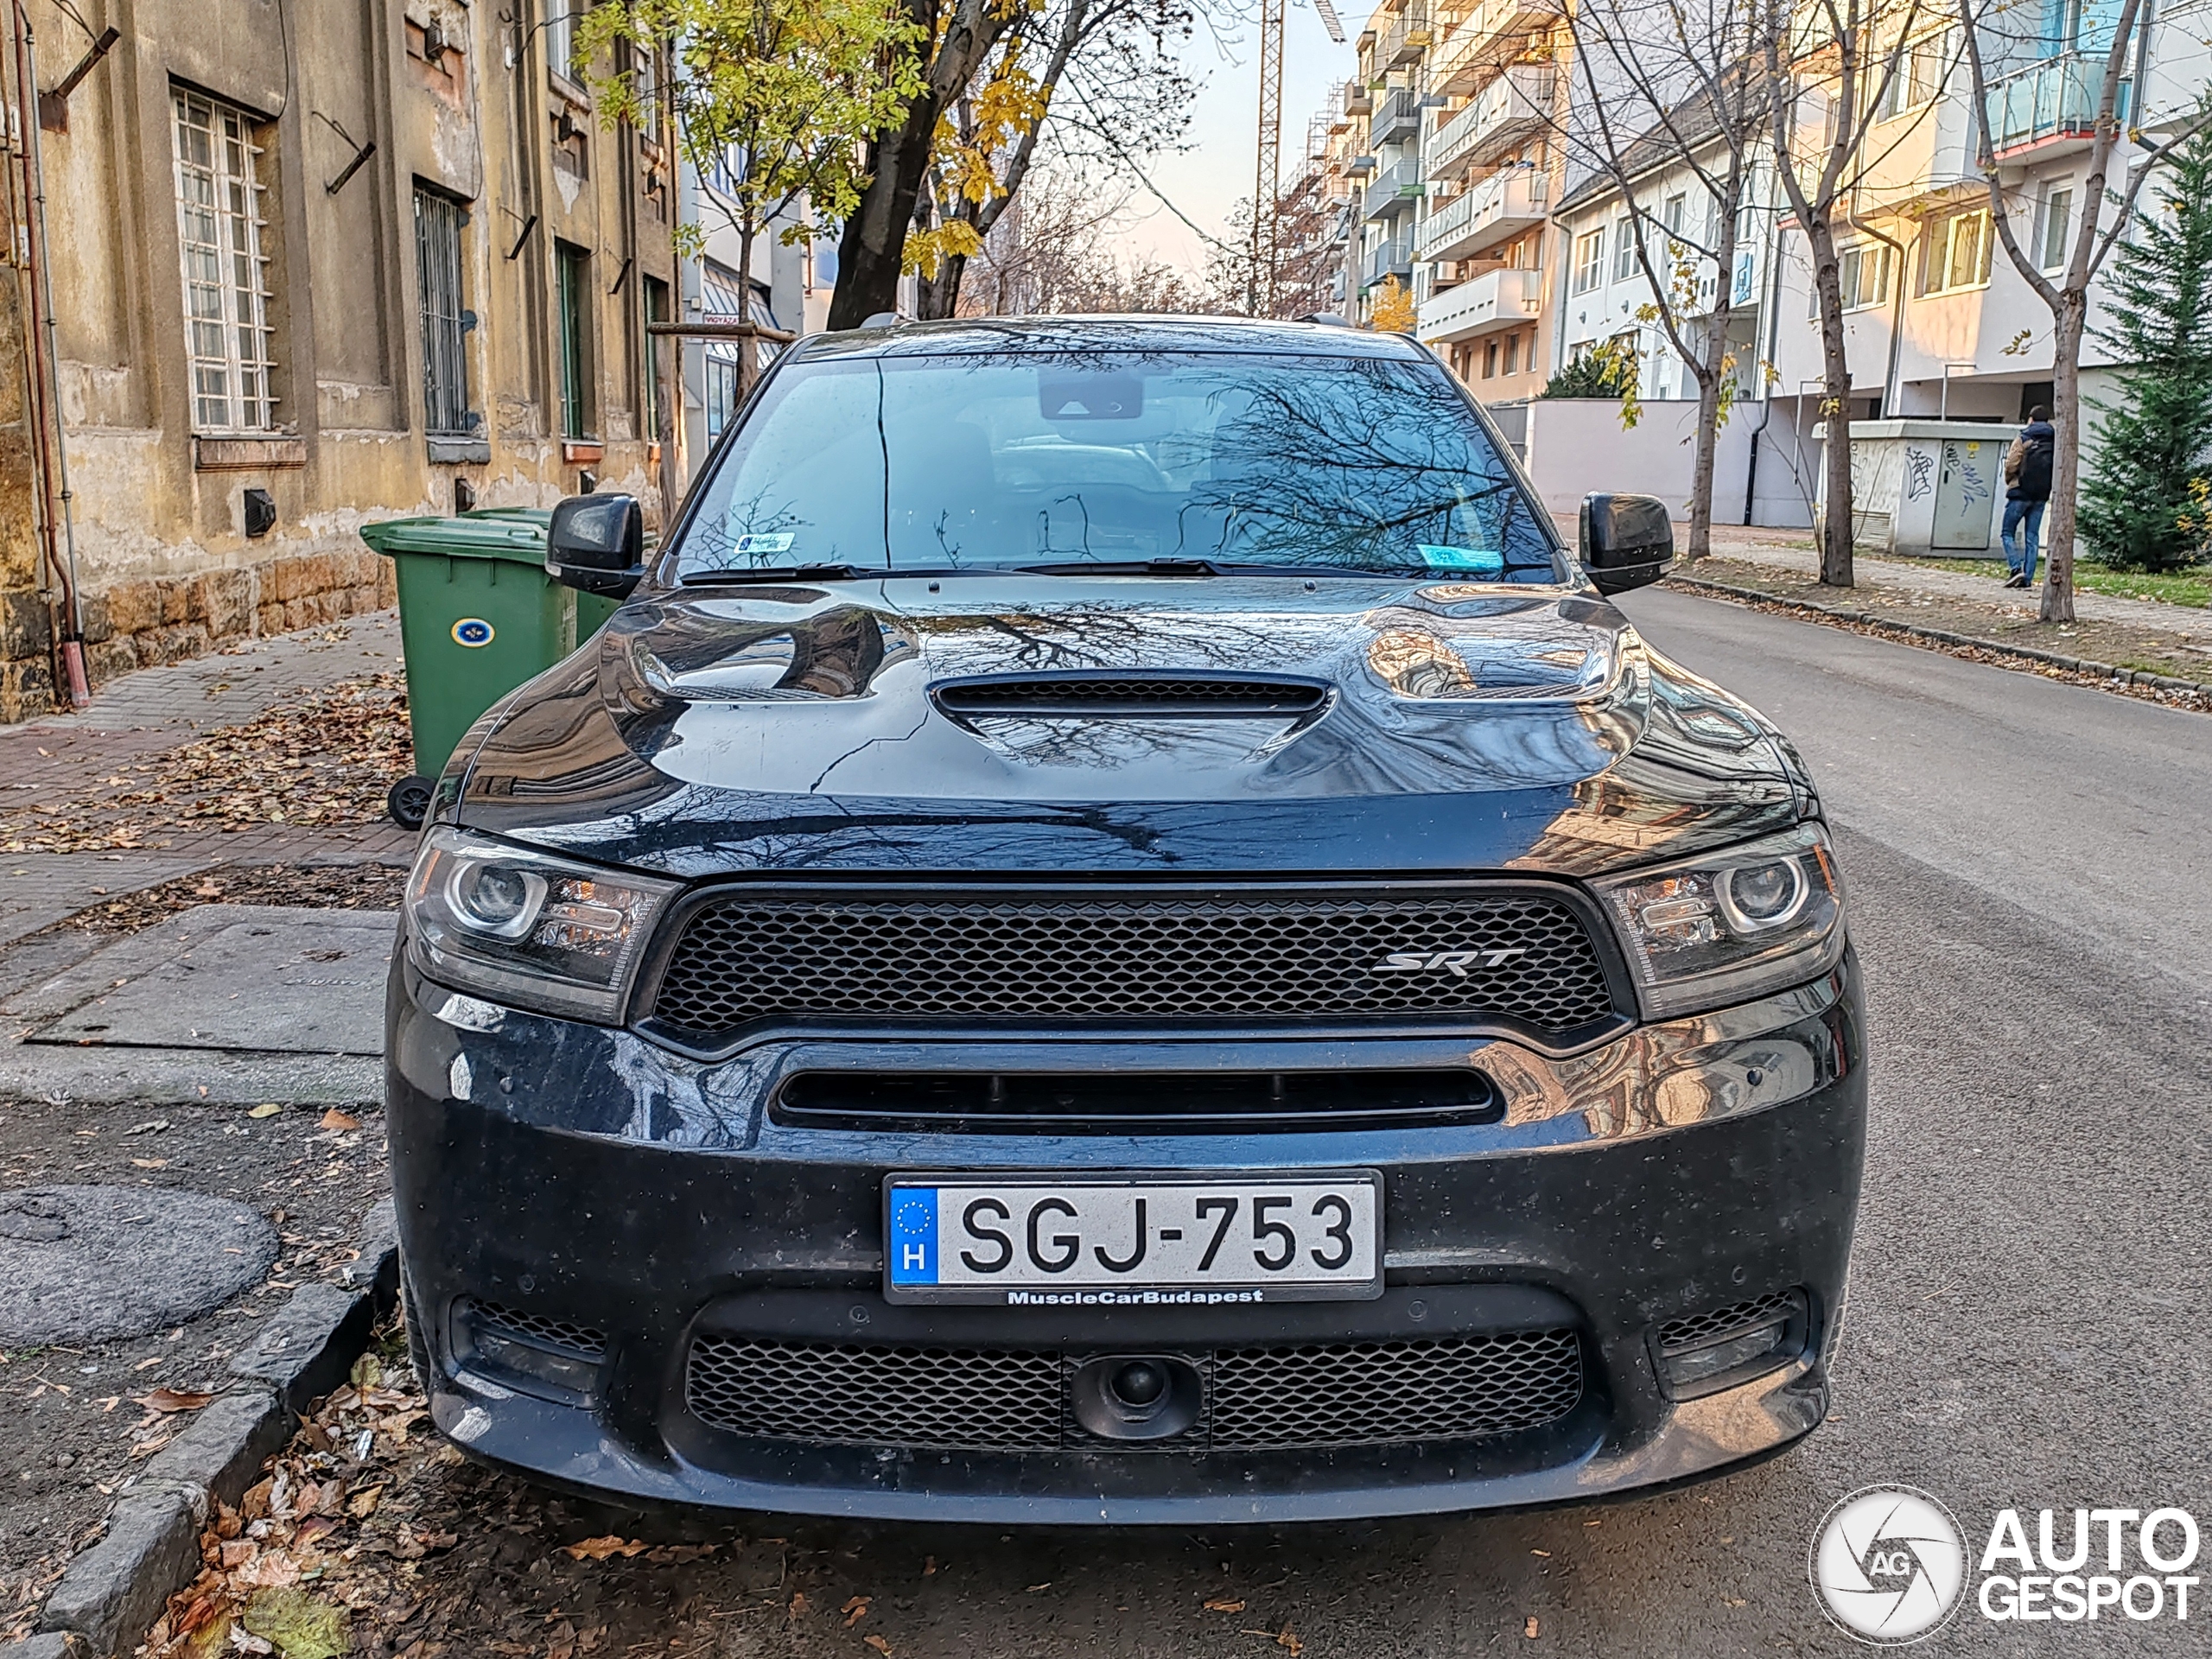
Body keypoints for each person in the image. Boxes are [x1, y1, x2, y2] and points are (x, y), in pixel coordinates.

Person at [2001, 406, 2056, 588]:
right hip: (2041, 495)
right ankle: (2027, 579)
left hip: (2020, 493)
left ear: (2031, 419)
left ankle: (2016, 569)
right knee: (2032, 537)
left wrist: (2011, 481)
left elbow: (2011, 463)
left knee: (2007, 533)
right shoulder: (2055, 440)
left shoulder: (2023, 437)